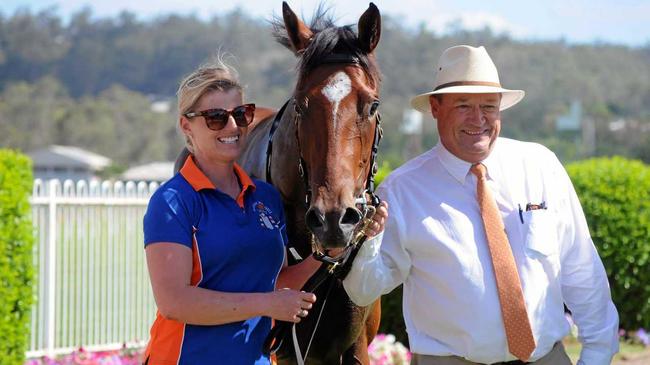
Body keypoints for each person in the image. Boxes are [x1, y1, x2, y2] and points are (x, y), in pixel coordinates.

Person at [343, 45, 619, 365]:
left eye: (489, 105)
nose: (479, 119)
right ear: (435, 107)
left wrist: (597, 352)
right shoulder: (402, 190)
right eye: (463, 105)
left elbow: (581, 268)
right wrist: (368, 241)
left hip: (546, 358)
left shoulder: (541, 166)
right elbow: (363, 291)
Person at [143, 59, 321, 365]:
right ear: (187, 125)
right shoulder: (172, 202)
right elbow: (175, 302)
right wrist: (267, 304)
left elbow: (272, 283)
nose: (233, 127)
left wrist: (326, 253)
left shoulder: (265, 196)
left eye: (241, 114)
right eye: (216, 118)